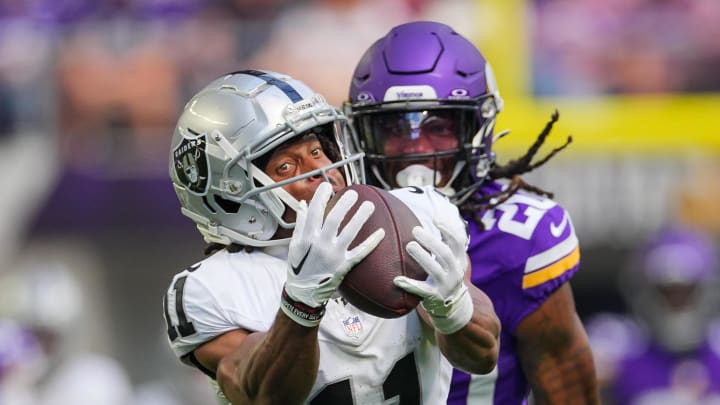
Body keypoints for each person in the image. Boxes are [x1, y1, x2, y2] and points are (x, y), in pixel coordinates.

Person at [162, 69, 501, 404]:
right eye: (286, 166)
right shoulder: (211, 289)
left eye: (317, 151)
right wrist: (300, 304)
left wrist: (453, 307)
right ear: (230, 194)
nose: (321, 172)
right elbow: (263, 395)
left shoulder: (412, 216)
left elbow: (483, 356)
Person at [345, 21, 598, 404]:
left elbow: (568, 393)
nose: (417, 148)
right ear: (362, 134)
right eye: (395, 127)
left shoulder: (519, 238)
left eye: (439, 126)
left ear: (478, 128)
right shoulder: (334, 229)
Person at [586, 225, 720, 405]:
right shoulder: (617, 345)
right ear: (643, 291)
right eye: (667, 292)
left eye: (686, 292)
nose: (676, 305)